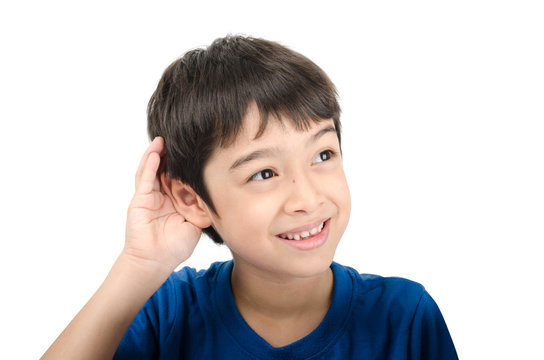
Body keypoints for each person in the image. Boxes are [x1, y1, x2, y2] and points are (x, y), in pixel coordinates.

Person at [42, 35, 458, 359]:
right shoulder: (164, 314)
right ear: (193, 200)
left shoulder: (405, 317)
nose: (307, 197)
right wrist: (139, 265)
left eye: (323, 154)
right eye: (264, 173)